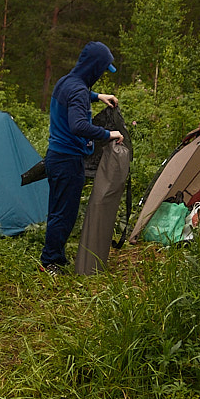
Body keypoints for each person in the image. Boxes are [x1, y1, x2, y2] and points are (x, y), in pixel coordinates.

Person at [40, 41, 123, 275]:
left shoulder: (67, 82)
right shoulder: (77, 89)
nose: (101, 74)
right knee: (64, 214)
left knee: (58, 209)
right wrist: (108, 134)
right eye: (102, 69)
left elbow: (78, 94)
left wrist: (98, 96)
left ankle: (54, 255)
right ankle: (50, 262)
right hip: (67, 159)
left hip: (57, 156)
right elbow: (78, 125)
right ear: (94, 67)